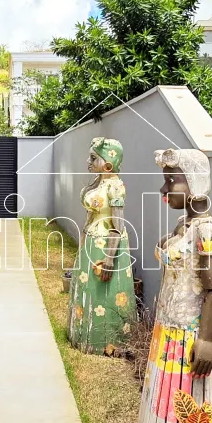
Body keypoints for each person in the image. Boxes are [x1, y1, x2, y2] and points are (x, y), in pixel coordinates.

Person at [130, 147, 212, 423]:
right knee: (163, 401)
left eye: (171, 181)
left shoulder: (207, 231)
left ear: (196, 184)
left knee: (185, 406)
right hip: (167, 329)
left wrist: (205, 339)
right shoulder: (182, 227)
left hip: (189, 333)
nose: (163, 189)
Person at [67, 137, 137, 353]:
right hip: (90, 243)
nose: (88, 162)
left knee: (104, 293)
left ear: (107, 164)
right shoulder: (97, 183)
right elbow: (89, 216)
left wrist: (109, 259)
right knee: (87, 289)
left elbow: (118, 225)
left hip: (106, 245)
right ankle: (82, 335)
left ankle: (105, 342)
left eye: (93, 158)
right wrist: (82, 245)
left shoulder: (116, 187)